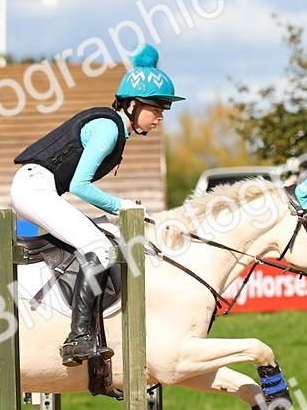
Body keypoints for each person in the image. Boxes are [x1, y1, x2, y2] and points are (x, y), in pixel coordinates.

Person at [11, 44, 184, 366]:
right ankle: (77, 337)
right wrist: (124, 207)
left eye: (164, 109)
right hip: (35, 189)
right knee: (100, 249)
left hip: (40, 188)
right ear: (131, 105)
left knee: (104, 234)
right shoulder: (107, 128)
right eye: (156, 107)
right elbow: (80, 185)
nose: (161, 116)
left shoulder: (116, 129)